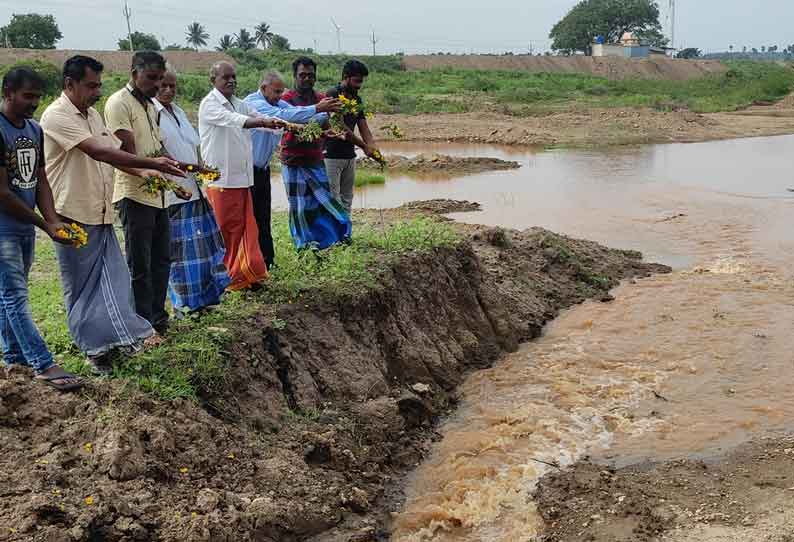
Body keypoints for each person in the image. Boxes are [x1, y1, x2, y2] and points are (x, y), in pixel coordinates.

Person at [41, 55, 185, 374]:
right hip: (73, 212)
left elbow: (115, 157)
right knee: (82, 287)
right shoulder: (56, 115)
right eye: (90, 86)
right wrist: (152, 164)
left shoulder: (91, 114)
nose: (96, 92)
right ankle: (98, 348)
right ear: (69, 84)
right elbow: (98, 151)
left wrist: (155, 175)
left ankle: (108, 345)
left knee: (112, 281)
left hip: (99, 210)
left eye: (98, 85)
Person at [0, 67, 82, 391]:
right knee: (15, 296)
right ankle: (43, 363)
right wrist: (44, 223)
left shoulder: (35, 129)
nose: (33, 103)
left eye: (37, 96)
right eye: (27, 96)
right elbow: (2, 192)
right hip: (4, 227)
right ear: (8, 92)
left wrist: (54, 221)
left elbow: (41, 181)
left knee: (8, 297)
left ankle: (14, 360)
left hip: (24, 228)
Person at [105, 50, 182, 336]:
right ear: (134, 72)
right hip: (134, 195)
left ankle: (158, 319)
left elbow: (156, 151)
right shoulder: (118, 104)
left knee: (162, 259)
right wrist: (151, 172)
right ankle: (141, 325)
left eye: (161, 79)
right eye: (152, 78)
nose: (158, 86)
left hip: (158, 194)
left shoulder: (150, 106)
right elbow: (126, 156)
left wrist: (179, 172)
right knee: (140, 264)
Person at [198, 61, 283, 290]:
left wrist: (284, 124)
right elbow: (236, 121)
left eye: (233, 76)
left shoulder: (239, 103)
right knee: (227, 230)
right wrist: (263, 121)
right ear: (213, 80)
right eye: (226, 77)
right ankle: (227, 278)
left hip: (242, 180)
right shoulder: (210, 105)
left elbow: (259, 119)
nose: (231, 81)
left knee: (246, 228)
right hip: (221, 180)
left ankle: (247, 275)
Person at [244, 70, 340, 268]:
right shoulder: (254, 103)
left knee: (263, 218)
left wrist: (324, 126)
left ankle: (267, 262)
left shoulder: (276, 102)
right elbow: (283, 117)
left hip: (262, 170)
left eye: (281, 92)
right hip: (245, 172)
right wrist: (317, 108)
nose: (280, 96)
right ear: (263, 88)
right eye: (277, 92)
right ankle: (249, 266)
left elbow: (296, 117)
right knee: (248, 220)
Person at [155, 70, 230, 313]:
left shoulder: (177, 112)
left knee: (203, 249)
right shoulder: (151, 113)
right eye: (163, 85)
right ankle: (185, 305)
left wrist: (201, 170)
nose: (168, 90)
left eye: (172, 86)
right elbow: (157, 154)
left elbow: (192, 147)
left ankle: (204, 300)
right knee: (180, 254)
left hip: (193, 191)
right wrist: (194, 168)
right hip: (172, 194)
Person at [280, 57, 351, 250]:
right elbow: (287, 125)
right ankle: (303, 244)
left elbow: (329, 124)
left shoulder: (322, 99)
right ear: (295, 76)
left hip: (315, 160)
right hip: (292, 160)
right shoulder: (286, 100)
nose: (307, 79)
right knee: (299, 207)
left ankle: (329, 239)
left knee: (323, 202)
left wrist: (336, 131)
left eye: (311, 75)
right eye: (302, 75)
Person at [325, 59, 381, 213]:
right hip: (331, 155)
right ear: (345, 76)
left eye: (361, 82)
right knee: (333, 198)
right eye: (356, 81)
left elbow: (363, 126)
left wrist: (373, 147)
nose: (359, 85)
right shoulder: (333, 94)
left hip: (349, 155)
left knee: (347, 198)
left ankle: (345, 235)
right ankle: (335, 235)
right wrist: (364, 146)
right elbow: (339, 126)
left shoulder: (357, 99)